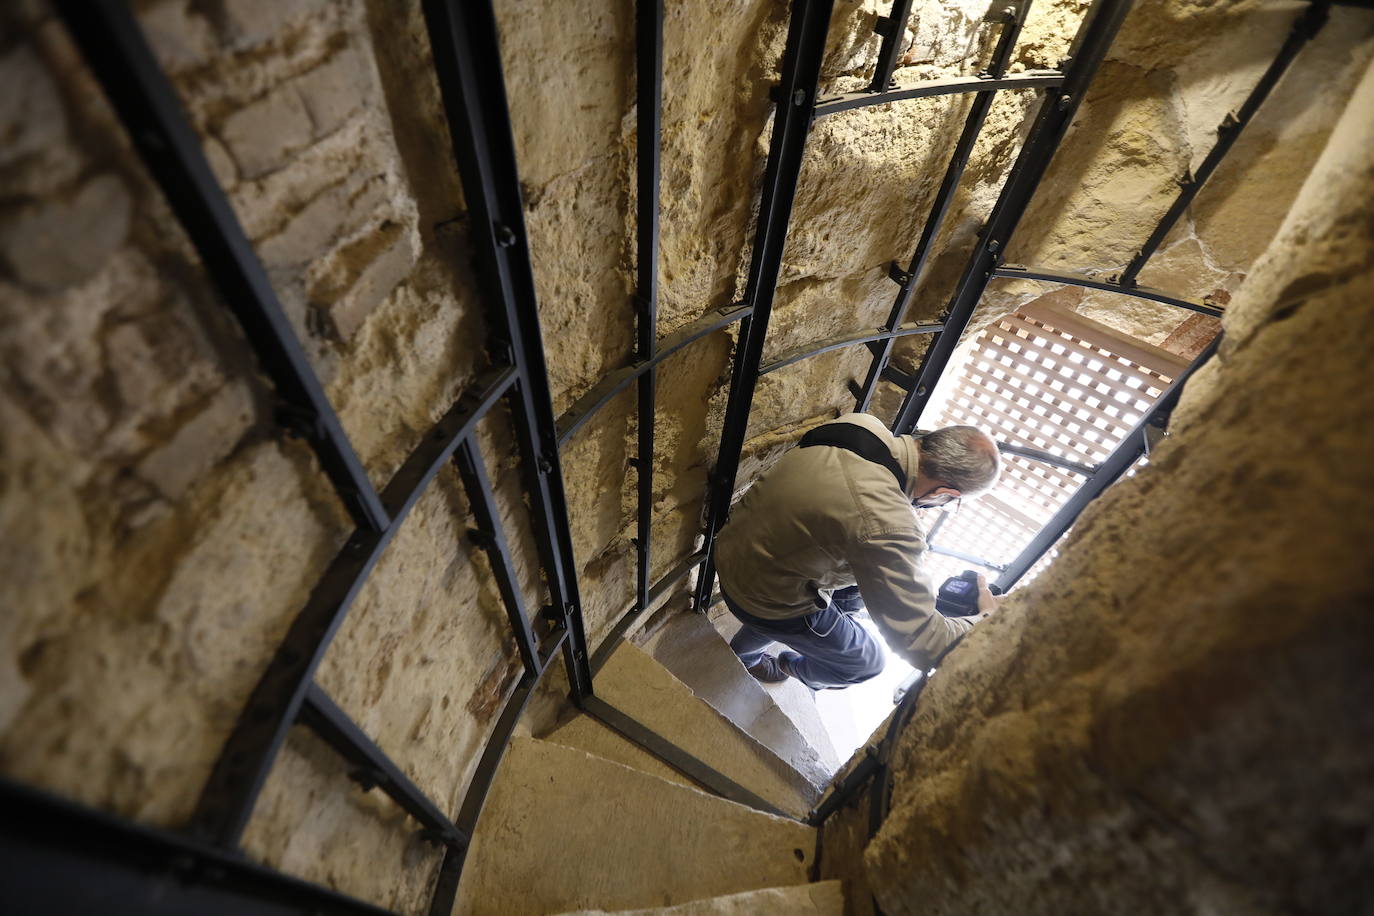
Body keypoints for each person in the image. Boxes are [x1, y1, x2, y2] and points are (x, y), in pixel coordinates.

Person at [713, 412, 1002, 689]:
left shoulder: (862, 424)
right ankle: (790, 664)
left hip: (731, 548)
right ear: (944, 494)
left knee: (856, 590)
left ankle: (746, 652)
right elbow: (926, 645)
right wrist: (988, 619)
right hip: (758, 597)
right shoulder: (892, 525)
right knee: (866, 663)